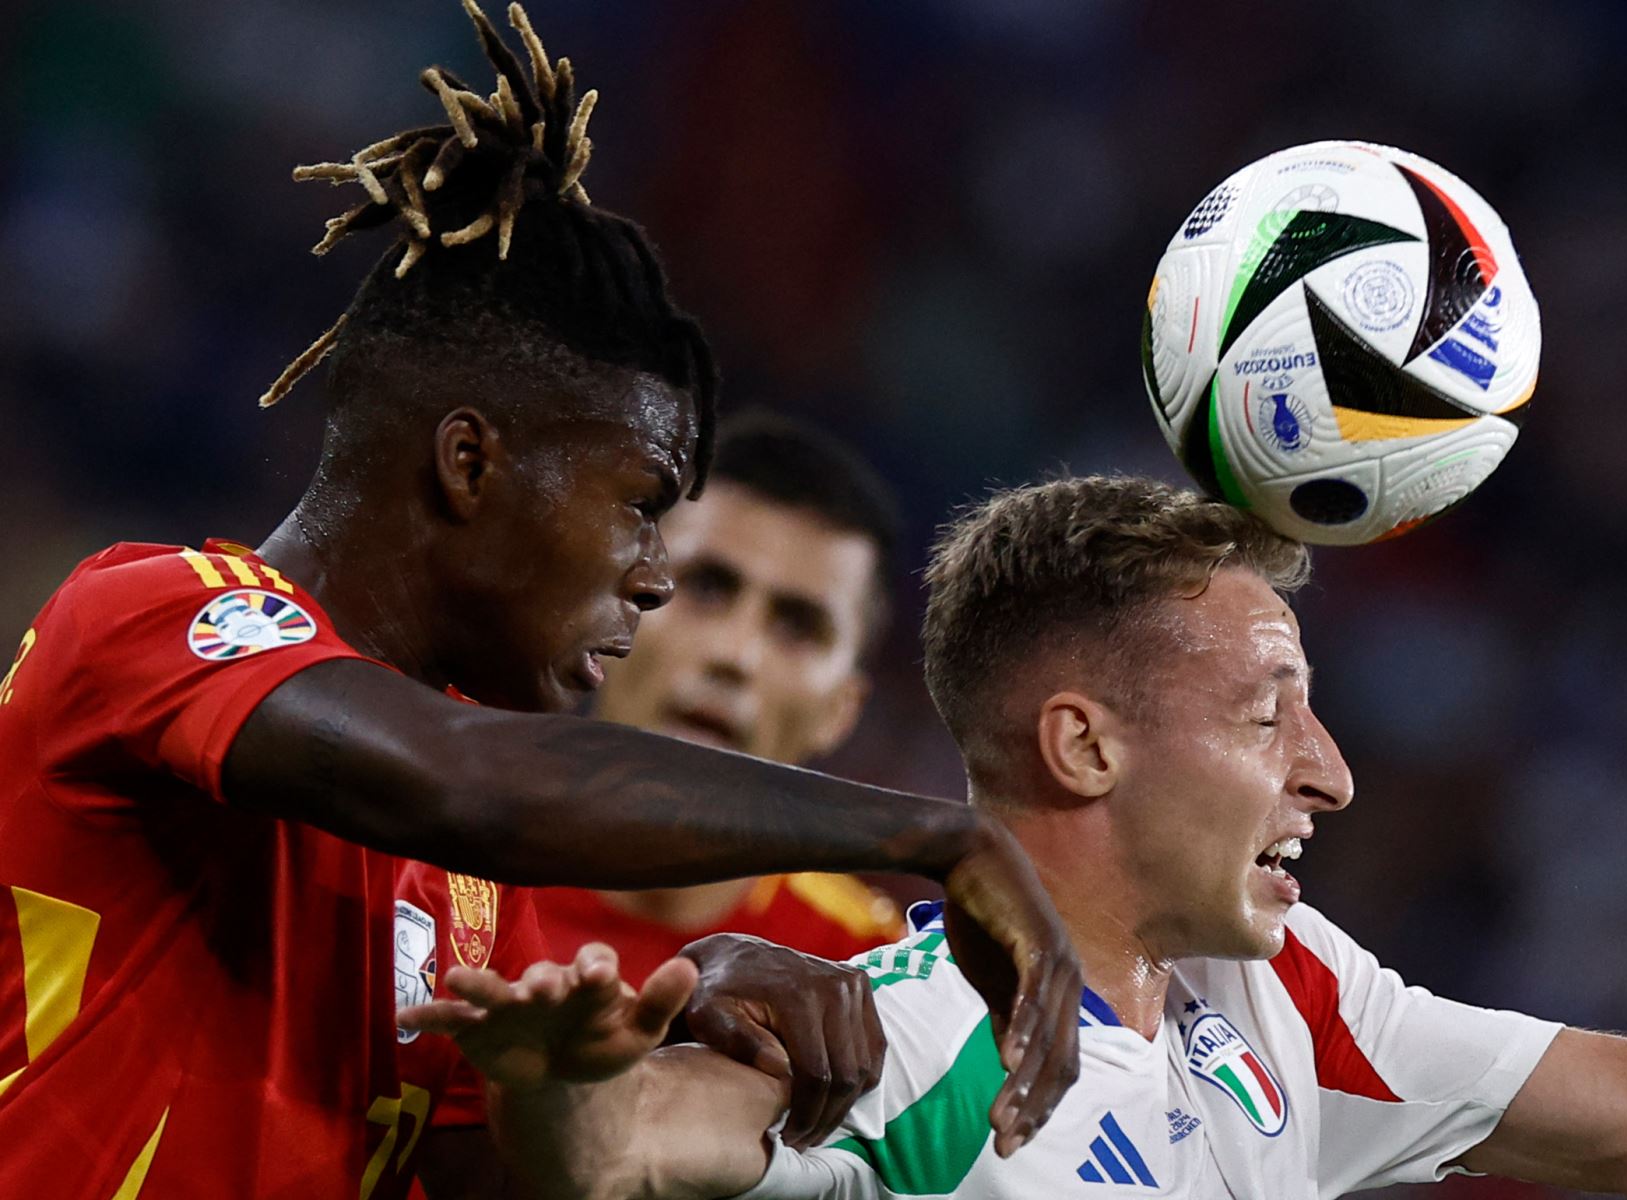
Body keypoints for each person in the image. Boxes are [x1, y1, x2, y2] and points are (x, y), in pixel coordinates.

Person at [0, 7, 1082, 1197]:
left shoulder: (467, 894)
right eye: (640, 503)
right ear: (473, 466)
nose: (655, 574)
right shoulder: (150, 617)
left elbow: (499, 1178)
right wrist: (936, 833)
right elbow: (466, 779)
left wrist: (660, 1036)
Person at [422, 475, 1627, 1200]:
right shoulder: (909, 1039)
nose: (1330, 776)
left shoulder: (1279, 995)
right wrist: (563, 1091)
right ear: (1085, 747)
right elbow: (633, 1152)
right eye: (1271, 718)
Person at [535, 413, 906, 986]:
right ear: (607, 610)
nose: (737, 656)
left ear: (841, 710)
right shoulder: (426, 856)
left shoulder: (869, 974)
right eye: (706, 587)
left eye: (798, 627)